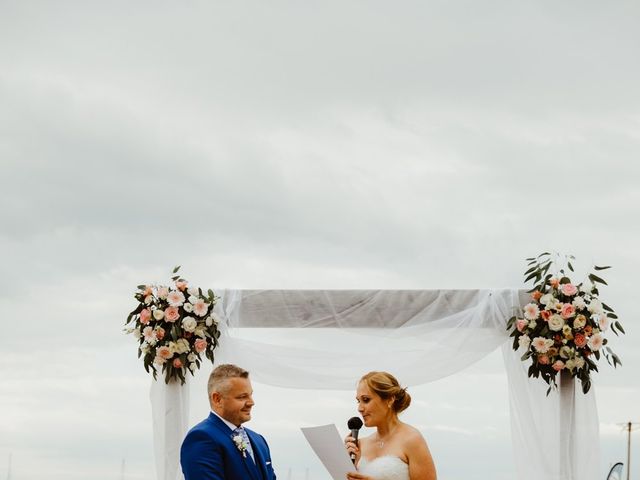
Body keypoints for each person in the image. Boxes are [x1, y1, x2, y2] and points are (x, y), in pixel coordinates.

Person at [180, 364, 277, 480]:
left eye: (250, 395)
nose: (251, 402)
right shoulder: (201, 438)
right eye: (242, 397)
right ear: (217, 399)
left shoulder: (259, 440)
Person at [344, 371, 437, 480]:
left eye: (366, 400)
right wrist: (350, 465)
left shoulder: (411, 439)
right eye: (358, 401)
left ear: (390, 400)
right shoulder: (360, 445)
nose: (360, 408)